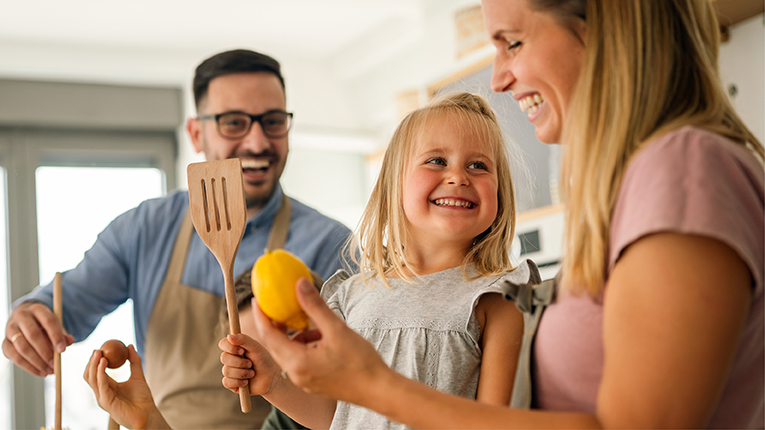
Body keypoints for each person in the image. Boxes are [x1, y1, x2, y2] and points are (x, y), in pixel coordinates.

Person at [225, 1, 763, 429]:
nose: (499, 78)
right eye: (435, 161)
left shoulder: (684, 172)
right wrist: (279, 380)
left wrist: (371, 383)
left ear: (605, 28)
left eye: (513, 41)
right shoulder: (647, 184)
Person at [82, 92, 540, 429]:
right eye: (437, 160)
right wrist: (274, 384)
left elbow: (495, 423)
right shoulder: (350, 294)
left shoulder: (497, 297)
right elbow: (333, 416)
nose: (458, 176)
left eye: (480, 166)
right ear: (393, 186)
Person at [3, 49, 351, 430]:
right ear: (196, 133)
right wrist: (31, 319)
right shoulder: (145, 228)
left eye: (272, 122)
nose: (257, 142)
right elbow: (67, 304)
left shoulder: (333, 246)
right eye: (234, 123)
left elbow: (353, 390)